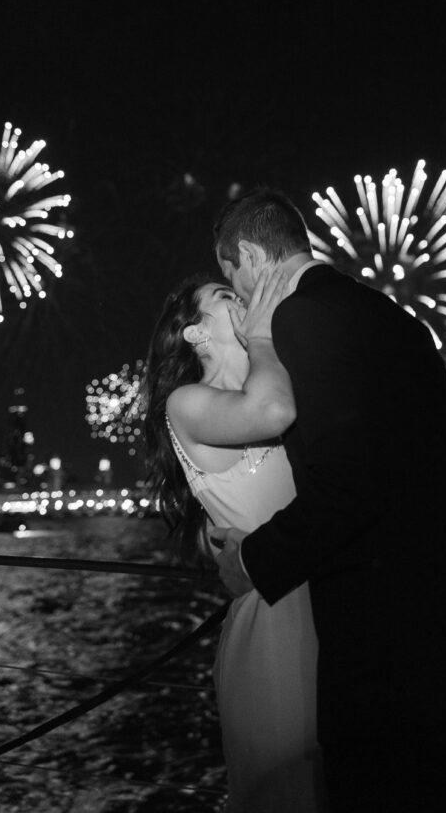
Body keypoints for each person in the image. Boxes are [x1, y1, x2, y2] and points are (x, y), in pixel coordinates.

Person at [211, 187, 446, 813]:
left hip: (388, 653)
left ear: (247, 254)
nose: (241, 305)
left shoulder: (299, 319)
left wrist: (250, 560)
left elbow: (348, 485)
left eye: (233, 282)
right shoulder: (384, 313)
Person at [144, 271, 327, 812]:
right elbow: (273, 414)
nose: (243, 298)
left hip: (334, 604)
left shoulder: (282, 381)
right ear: (195, 333)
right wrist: (266, 336)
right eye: (226, 297)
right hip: (279, 622)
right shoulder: (186, 402)